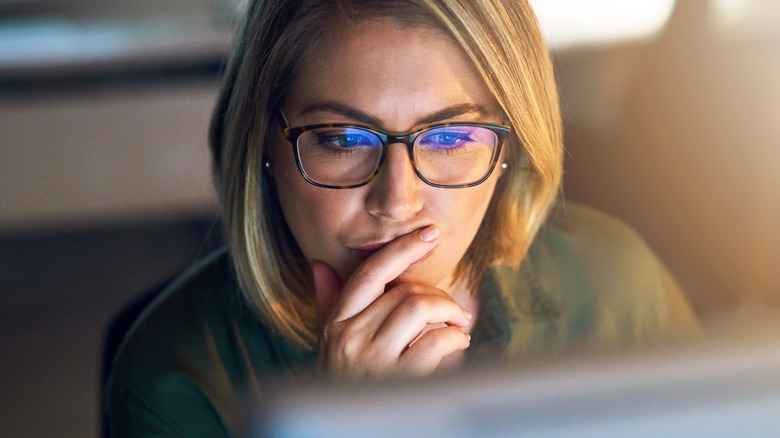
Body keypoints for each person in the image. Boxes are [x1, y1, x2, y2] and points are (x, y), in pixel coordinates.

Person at [103, 0, 701, 436]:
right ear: (265, 145)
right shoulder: (171, 382)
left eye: (449, 137)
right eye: (341, 139)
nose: (396, 201)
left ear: (510, 149)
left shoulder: (617, 283)